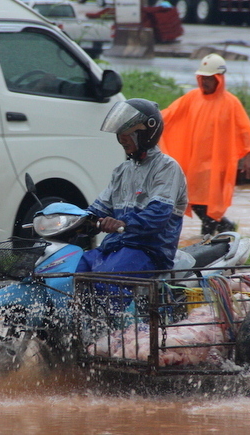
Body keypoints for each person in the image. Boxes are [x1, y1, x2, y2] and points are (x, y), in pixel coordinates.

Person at [76, 98, 188, 304]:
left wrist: (123, 223)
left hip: (148, 252)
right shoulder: (122, 171)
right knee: (73, 271)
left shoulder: (166, 168)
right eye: (120, 134)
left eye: (128, 133)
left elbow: (158, 216)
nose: (122, 139)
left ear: (146, 133)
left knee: (105, 281)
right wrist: (73, 220)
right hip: (114, 248)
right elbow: (97, 210)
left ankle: (115, 331)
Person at [160, 53, 250, 236]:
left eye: (209, 78)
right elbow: (170, 115)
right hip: (195, 163)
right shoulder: (192, 97)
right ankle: (224, 228)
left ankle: (206, 242)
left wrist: (249, 160)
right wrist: (147, 119)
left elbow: (245, 131)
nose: (204, 82)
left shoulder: (231, 103)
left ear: (219, 79)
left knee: (211, 204)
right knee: (192, 199)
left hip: (218, 165)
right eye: (202, 78)